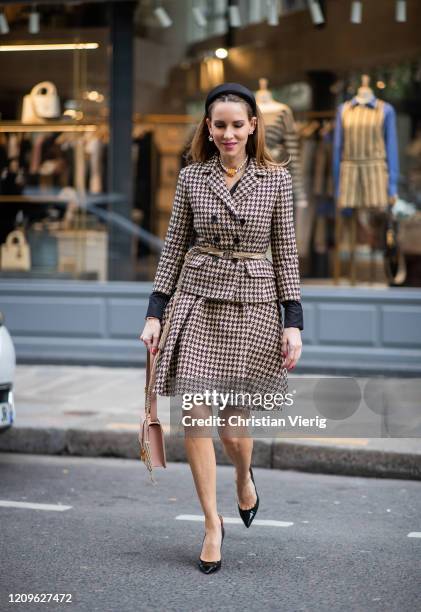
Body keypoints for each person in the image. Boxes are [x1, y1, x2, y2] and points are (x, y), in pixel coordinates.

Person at [139, 82, 303, 574]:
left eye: (237, 125)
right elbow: (173, 248)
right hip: (196, 299)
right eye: (219, 125)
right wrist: (155, 311)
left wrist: (292, 322)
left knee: (233, 430)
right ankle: (212, 523)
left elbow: (286, 253)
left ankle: (243, 478)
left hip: (252, 306)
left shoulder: (276, 179)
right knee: (195, 414)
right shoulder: (192, 178)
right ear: (207, 130)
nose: (228, 133)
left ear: (253, 126)